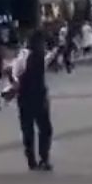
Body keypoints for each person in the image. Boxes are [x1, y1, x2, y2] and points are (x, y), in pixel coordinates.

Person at [13, 31, 54, 172]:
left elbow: (15, 75)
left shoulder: (25, 56)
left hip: (27, 98)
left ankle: (35, 160)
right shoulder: (28, 56)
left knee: (30, 130)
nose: (44, 45)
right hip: (34, 98)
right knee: (43, 129)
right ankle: (41, 159)